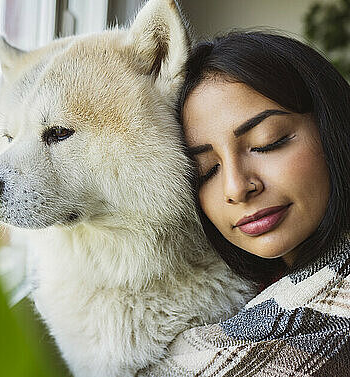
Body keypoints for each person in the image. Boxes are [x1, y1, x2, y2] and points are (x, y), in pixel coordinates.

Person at [145, 31, 350, 376]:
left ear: (334, 126)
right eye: (206, 171)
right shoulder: (237, 311)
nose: (236, 188)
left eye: (267, 143)